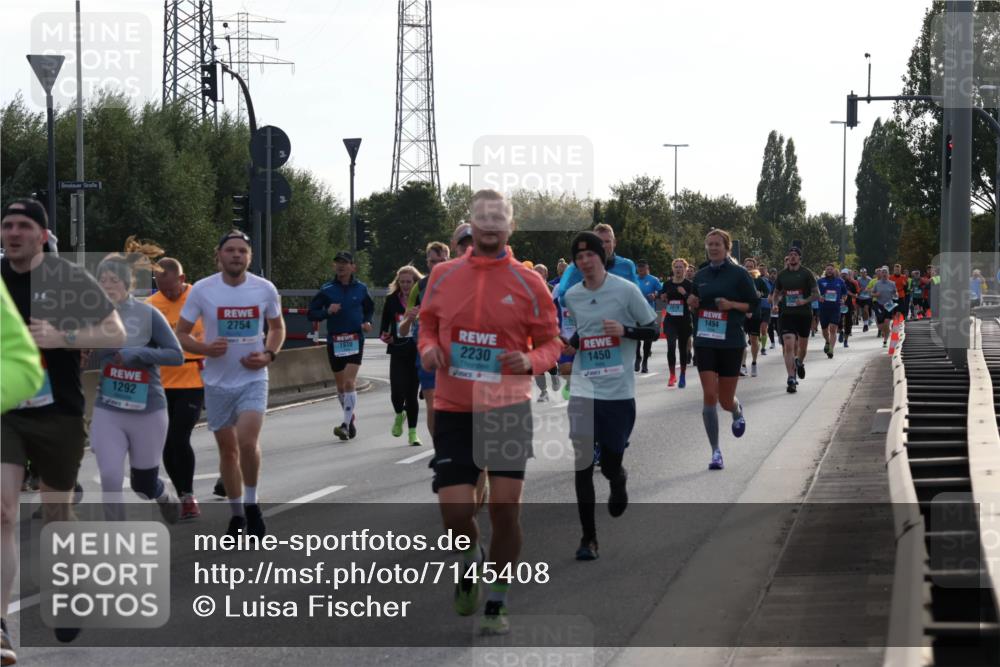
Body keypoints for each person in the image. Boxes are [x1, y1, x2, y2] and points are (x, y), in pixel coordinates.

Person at [418, 189, 561, 635]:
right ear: (472, 225)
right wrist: (427, 350)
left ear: (510, 226)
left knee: (505, 511)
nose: (491, 224)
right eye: (483, 217)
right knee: (455, 514)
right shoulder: (442, 276)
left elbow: (554, 342)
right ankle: (469, 558)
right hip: (455, 406)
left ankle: (497, 600)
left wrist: (532, 361)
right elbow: (426, 325)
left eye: (499, 217)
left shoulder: (529, 282)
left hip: (506, 407)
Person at [1, 198, 126, 656]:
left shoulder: (67, 279)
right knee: (5, 512)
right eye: (6, 225)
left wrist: (63, 338)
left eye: (23, 226)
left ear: (42, 234)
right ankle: (1, 624)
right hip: (6, 410)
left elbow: (114, 334)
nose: (12, 233)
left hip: (60, 412)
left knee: (57, 513)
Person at [176, 230, 284, 538]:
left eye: (242, 251)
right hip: (216, 380)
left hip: (253, 377)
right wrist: (204, 349)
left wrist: (269, 353)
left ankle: (252, 506)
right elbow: (182, 334)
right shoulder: (202, 290)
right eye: (230, 250)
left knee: (247, 442)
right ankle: (237, 514)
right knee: (228, 451)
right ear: (219, 255)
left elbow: (276, 327)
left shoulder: (263, 289)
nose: (236, 255)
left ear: (249, 257)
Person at [562, 232, 658, 560]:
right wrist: (570, 345)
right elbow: (584, 329)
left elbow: (653, 329)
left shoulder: (626, 290)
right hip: (583, 388)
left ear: (602, 256)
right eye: (579, 256)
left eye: (590, 254)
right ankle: (588, 538)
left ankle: (618, 479)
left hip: (618, 392)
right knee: (582, 463)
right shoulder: (571, 296)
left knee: (610, 465)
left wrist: (625, 331)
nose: (585, 261)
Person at [91, 239, 186, 523]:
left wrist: (137, 354)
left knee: (142, 485)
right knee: (109, 477)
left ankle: (161, 493)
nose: (107, 285)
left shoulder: (147, 314)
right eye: (102, 280)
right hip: (108, 408)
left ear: (126, 283)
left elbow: (176, 355)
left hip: (147, 409)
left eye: (113, 280)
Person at [687, 230, 757, 470]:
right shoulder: (701, 275)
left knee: (725, 400)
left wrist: (731, 305)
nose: (713, 248)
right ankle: (715, 451)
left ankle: (736, 410)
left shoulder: (739, 274)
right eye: (709, 244)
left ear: (726, 248)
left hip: (731, 341)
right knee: (709, 395)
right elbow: (695, 303)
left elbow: (754, 305)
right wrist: (692, 304)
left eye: (717, 244)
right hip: (705, 340)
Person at [148, 257, 207, 519]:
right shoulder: (150, 306)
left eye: (171, 288)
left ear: (182, 279)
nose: (167, 293)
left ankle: (188, 495)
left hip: (193, 378)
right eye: (162, 288)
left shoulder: (201, 299)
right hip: (160, 382)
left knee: (178, 437)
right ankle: (183, 493)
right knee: (165, 443)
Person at [307, 251, 374, 441]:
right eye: (337, 263)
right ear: (333, 266)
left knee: (349, 382)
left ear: (353, 267)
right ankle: (350, 420)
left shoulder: (361, 288)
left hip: (355, 339)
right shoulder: (327, 289)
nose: (341, 266)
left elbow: (369, 308)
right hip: (335, 342)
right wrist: (327, 311)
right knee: (340, 387)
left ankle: (344, 425)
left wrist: (368, 322)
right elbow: (312, 313)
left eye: (345, 263)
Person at [399, 242, 451, 440]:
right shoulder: (418, 288)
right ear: (427, 262)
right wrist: (409, 318)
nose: (436, 265)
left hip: (453, 350)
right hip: (427, 351)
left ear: (448, 259)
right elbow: (403, 330)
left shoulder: (460, 282)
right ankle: (441, 450)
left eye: (441, 261)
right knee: (433, 403)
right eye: (432, 261)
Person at [379, 265, 423, 446]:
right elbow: (383, 328)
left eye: (409, 282)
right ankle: (399, 414)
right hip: (397, 349)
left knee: (411, 395)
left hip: (415, 350)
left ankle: (413, 433)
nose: (405, 285)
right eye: (402, 282)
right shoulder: (391, 300)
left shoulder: (422, 299)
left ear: (415, 283)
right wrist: (385, 336)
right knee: (397, 392)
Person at [772, 247, 819, 394]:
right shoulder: (782, 275)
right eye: (790, 255)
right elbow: (776, 293)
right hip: (787, 314)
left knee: (802, 348)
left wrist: (804, 301)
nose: (792, 257)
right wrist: (774, 305)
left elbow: (816, 294)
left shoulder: (806, 273)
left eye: (795, 255)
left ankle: (799, 362)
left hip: (804, 314)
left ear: (799, 258)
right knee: (788, 345)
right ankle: (791, 378)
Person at [555, 223, 640, 299]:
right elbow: (563, 299)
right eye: (599, 242)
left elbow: (638, 297)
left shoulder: (627, 266)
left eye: (607, 241)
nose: (603, 246)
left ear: (614, 242)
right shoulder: (576, 267)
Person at [0, 282, 43, 413]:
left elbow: (24, 367)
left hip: (59, 410)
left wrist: (65, 338)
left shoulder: (65, 276)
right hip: (10, 418)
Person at [662, 258, 694, 388]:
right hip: (670, 319)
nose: (678, 269)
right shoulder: (667, 284)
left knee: (682, 348)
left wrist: (685, 293)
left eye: (681, 267)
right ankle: (672, 375)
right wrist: (662, 296)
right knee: (670, 345)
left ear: (685, 270)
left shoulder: (689, 284)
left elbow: (692, 301)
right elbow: (663, 296)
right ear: (673, 269)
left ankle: (682, 375)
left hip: (684, 320)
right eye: (676, 267)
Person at [740, 257, 770, 377]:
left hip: (755, 313)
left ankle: (753, 363)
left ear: (755, 268)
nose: (748, 269)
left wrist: (760, 294)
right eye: (746, 266)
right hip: (741, 313)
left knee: (753, 340)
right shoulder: (740, 279)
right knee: (741, 341)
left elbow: (767, 294)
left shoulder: (759, 280)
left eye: (750, 267)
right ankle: (742, 365)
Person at [633, 260, 663, 373]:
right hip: (635, 313)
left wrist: (655, 295)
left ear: (647, 268)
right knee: (636, 338)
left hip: (648, 313)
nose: (641, 270)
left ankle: (645, 361)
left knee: (647, 338)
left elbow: (662, 292)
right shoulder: (633, 279)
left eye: (643, 268)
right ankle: (637, 357)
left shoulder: (653, 280)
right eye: (639, 268)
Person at [816, 263, 848, 359]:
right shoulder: (820, 281)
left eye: (831, 269)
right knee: (825, 330)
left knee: (833, 329)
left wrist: (843, 299)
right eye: (828, 269)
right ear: (825, 270)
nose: (829, 271)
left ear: (834, 270)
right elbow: (814, 292)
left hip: (835, 308)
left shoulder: (840, 281)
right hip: (823, 308)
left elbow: (844, 293)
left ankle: (831, 349)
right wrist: (819, 297)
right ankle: (827, 341)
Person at [871, 267, 899, 346]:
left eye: (885, 272)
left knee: (887, 322)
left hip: (889, 305)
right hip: (879, 305)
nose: (884, 274)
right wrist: (875, 295)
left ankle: (885, 341)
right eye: (883, 272)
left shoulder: (892, 283)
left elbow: (896, 294)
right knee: (880, 326)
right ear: (881, 274)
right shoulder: (877, 283)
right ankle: (886, 331)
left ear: (888, 274)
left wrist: (896, 294)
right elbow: (871, 293)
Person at [840, 268, 860, 348]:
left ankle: (846, 340)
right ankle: (840, 332)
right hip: (839, 305)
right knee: (838, 321)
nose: (844, 275)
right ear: (841, 275)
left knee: (848, 322)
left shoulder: (852, 283)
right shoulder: (838, 282)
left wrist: (849, 293)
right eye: (843, 274)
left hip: (849, 305)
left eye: (845, 274)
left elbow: (856, 295)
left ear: (848, 275)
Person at [767, 267, 780, 349]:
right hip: (769, 308)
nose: (773, 275)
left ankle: (779, 337)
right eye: (771, 273)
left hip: (779, 308)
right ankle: (772, 342)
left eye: (774, 273)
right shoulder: (766, 282)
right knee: (770, 326)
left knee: (778, 325)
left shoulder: (779, 282)